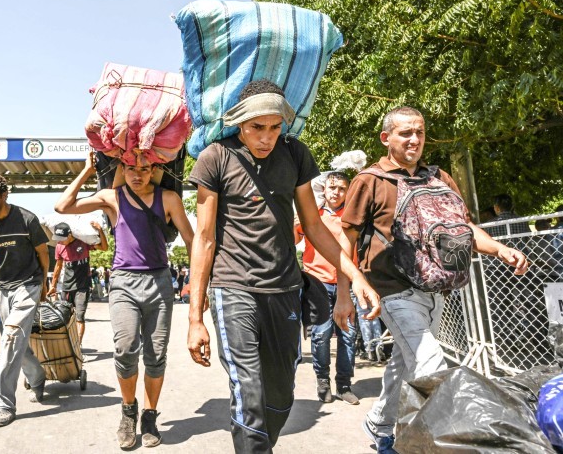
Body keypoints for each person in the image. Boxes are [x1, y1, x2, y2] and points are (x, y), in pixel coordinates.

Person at [186, 80, 379, 454]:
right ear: (239, 122)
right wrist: (196, 317)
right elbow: (205, 238)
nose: (267, 137)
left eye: (275, 127)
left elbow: (314, 226)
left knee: (279, 396)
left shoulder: (295, 155)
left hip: (286, 289)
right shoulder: (215, 157)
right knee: (248, 388)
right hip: (234, 287)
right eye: (258, 127)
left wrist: (355, 277)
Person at [336, 106, 529, 453]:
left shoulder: (438, 177)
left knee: (405, 361)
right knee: (431, 365)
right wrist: (344, 294)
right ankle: (426, 444)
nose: (414, 140)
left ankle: (379, 423)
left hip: (435, 288)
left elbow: (465, 228)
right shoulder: (369, 180)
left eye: (420, 133)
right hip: (390, 292)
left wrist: (499, 248)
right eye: (405, 133)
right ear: (386, 138)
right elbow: (344, 240)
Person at [56, 151, 194, 449]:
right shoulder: (113, 197)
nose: (137, 174)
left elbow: (192, 239)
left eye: (144, 169)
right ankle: (128, 411)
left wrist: (198, 281)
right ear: (122, 168)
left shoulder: (169, 198)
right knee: (124, 349)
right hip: (123, 282)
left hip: (159, 281)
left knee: (156, 355)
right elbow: (62, 206)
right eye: (130, 168)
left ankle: (150, 416)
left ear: (154, 169)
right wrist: (87, 171)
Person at [0, 171, 50, 428]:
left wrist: (44, 283)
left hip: (28, 285)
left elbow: (43, 253)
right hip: (1, 290)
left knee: (9, 337)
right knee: (16, 341)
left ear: (4, 194)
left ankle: (2, 405)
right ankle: (38, 376)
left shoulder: (27, 219)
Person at [295, 171, 360, 405]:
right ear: (324, 189)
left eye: (342, 188)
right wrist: (294, 221)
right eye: (332, 188)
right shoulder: (314, 214)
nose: (337, 192)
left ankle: (344, 385)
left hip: (347, 283)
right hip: (317, 282)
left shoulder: (353, 217)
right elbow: (293, 239)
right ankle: (323, 382)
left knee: (348, 335)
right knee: (321, 335)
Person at [48, 220, 108, 343]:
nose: (60, 240)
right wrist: (53, 286)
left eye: (62, 238)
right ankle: (67, 342)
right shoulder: (59, 246)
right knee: (66, 317)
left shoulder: (83, 243)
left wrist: (100, 231)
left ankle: (77, 346)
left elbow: (104, 247)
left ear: (70, 235)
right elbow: (58, 267)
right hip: (66, 287)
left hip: (82, 286)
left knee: (80, 317)